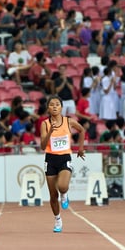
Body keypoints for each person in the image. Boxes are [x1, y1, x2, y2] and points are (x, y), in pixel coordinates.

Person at [40, 95, 86, 233]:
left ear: (61, 107)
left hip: (65, 157)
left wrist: (81, 148)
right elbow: (42, 146)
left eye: (57, 104)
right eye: (52, 104)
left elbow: (82, 130)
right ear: (48, 107)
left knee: (62, 186)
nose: (54, 107)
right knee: (53, 195)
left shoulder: (69, 121)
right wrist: (50, 132)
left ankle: (64, 194)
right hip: (50, 159)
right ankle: (57, 219)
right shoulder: (45, 124)